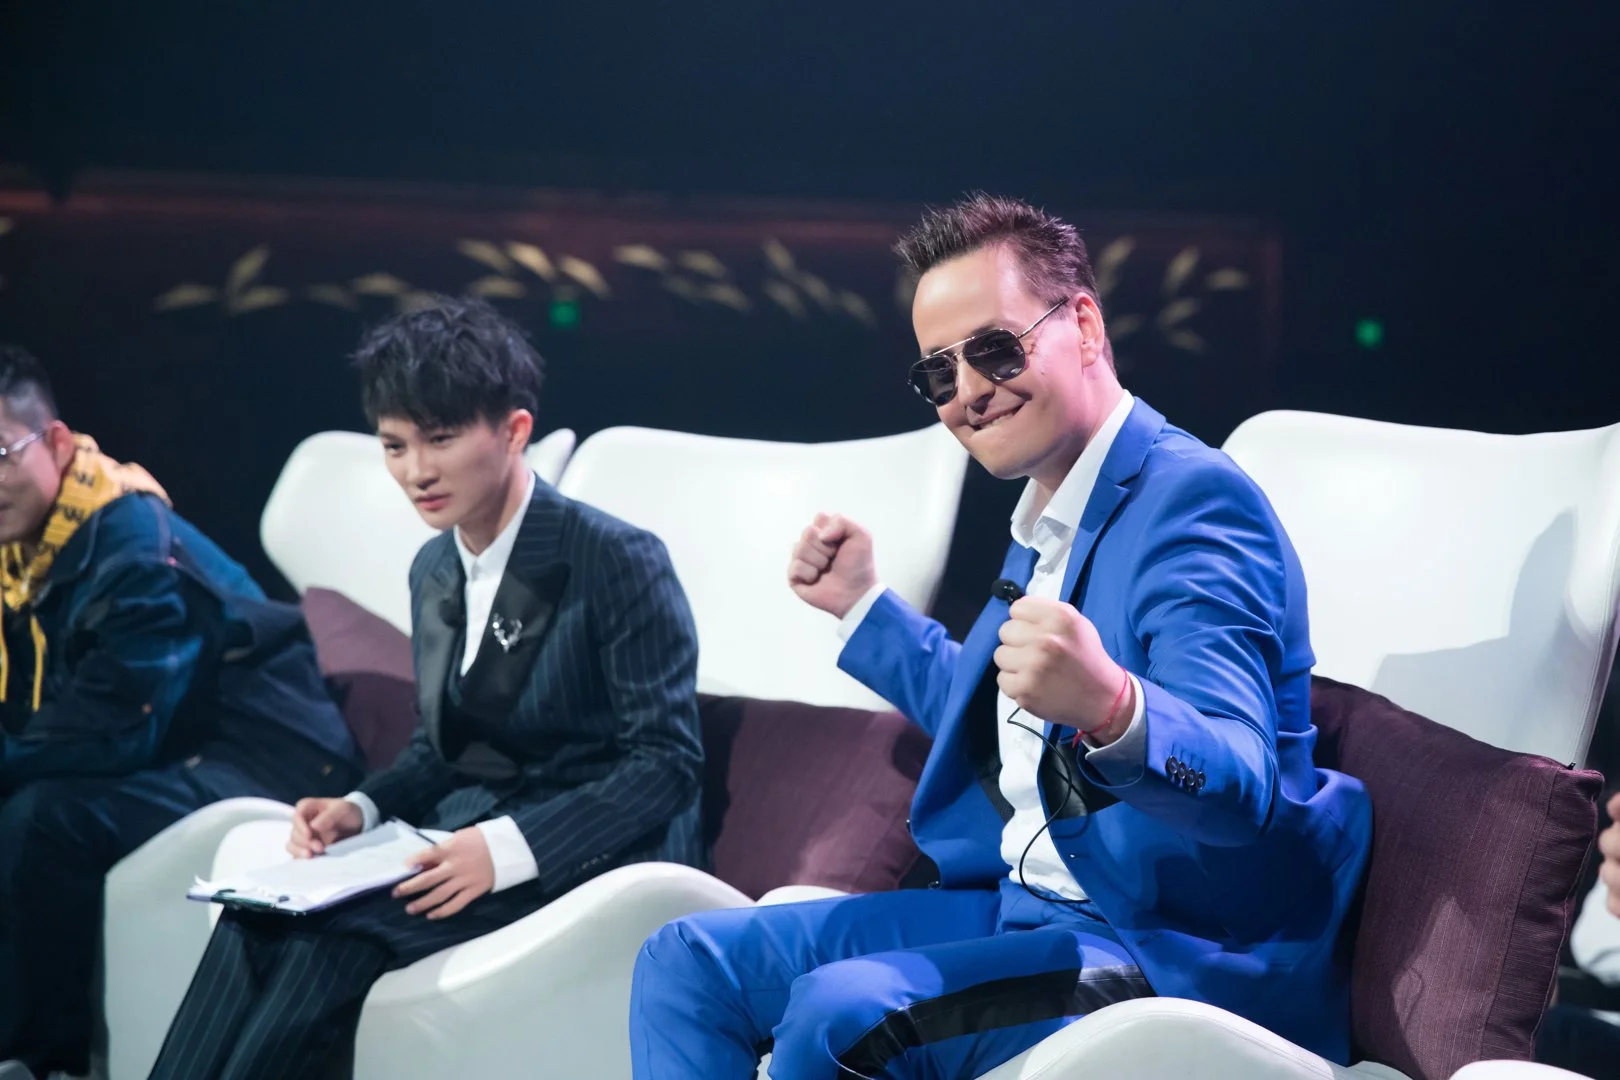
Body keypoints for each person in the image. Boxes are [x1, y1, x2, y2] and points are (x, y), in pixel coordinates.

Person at [630, 194, 1373, 1079]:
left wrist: (1115, 708)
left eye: (994, 348)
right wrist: (862, 608)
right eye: (938, 374)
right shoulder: (1049, 517)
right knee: (684, 961)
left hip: (1160, 943)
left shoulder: (1192, 503)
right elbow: (998, 710)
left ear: (1085, 325)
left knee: (841, 1016)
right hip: (1024, 907)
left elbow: (1243, 785)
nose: (969, 393)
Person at [149, 296, 704, 1079]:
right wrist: (363, 806)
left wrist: (507, 850)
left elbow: (665, 763)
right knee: (254, 917)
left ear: (514, 431)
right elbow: (444, 746)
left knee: (326, 941)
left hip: (592, 857)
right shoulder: (434, 567)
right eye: (395, 445)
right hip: (453, 839)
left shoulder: (614, 556)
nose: (416, 471)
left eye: (440, 439)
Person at [0, 345, 363, 1080]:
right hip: (177, 741)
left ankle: (42, 1061)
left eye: (0, 453)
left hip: (267, 760)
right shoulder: (24, 549)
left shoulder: (130, 547)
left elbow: (119, 724)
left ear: (58, 443)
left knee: (44, 815)